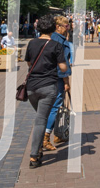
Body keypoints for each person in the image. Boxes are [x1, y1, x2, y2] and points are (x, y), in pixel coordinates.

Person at [23, 15, 69, 169]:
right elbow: (63, 68)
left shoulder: (31, 43)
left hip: (31, 88)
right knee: (41, 120)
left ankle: (39, 150)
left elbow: (29, 63)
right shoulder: (55, 45)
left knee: (41, 117)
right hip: (48, 86)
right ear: (53, 28)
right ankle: (34, 156)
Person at [43, 16, 73, 152]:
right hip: (58, 78)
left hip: (47, 77)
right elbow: (63, 64)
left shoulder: (50, 38)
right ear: (58, 26)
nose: (68, 29)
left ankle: (56, 134)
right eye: (66, 27)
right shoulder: (60, 41)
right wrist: (66, 81)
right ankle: (46, 136)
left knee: (53, 106)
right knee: (55, 107)